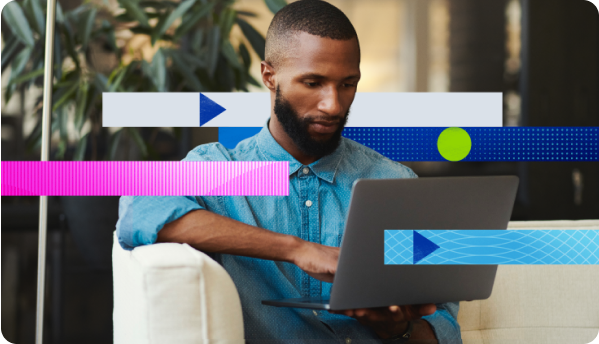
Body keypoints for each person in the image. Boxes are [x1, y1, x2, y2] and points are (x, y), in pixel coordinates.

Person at [116, 0, 462, 343]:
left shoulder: (395, 183)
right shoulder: (221, 169)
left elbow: (443, 329)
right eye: (313, 83)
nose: (333, 105)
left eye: (347, 83)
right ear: (269, 76)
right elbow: (139, 211)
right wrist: (297, 249)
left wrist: (395, 328)